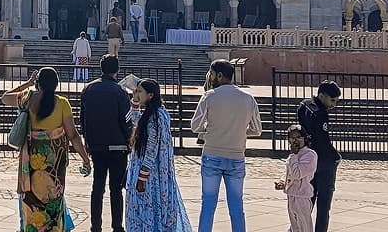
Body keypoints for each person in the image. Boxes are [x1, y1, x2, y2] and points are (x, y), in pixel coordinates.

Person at [2, 67, 92, 232]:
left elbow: (4, 97)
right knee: (53, 199)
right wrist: (85, 159)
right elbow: (73, 135)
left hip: (32, 159)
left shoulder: (28, 98)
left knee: (31, 199)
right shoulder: (62, 103)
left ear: (38, 83)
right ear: (56, 84)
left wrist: (27, 84)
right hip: (54, 163)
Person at [189, 59, 262, 232]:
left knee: (208, 205)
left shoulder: (209, 96)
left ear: (220, 75)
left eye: (212, 74)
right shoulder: (248, 98)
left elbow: (195, 126)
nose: (210, 77)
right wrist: (239, 131)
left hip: (212, 155)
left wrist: (211, 130)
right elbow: (257, 129)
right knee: (236, 206)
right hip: (236, 156)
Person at [126, 78, 192, 232]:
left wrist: (142, 176)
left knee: (148, 205)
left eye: (140, 91)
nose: (137, 94)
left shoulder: (156, 117)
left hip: (151, 173)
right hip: (149, 170)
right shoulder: (154, 113)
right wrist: (134, 102)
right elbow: (136, 122)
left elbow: (152, 148)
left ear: (150, 95)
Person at [80, 55, 132, 232]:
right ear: (117, 69)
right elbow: (126, 119)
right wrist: (129, 139)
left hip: (97, 145)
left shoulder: (88, 89)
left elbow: (83, 119)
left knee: (97, 187)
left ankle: (95, 226)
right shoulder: (120, 91)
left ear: (101, 68)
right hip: (118, 145)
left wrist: (87, 140)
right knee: (116, 188)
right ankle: (117, 226)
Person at [297, 80, 341, 232]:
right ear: (322, 96)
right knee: (323, 204)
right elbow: (323, 140)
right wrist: (336, 156)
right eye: (332, 100)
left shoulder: (304, 105)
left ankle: (299, 228)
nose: (334, 104)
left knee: (306, 201)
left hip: (307, 158)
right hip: (323, 162)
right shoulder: (320, 113)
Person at [275, 125, 318, 232]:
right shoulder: (293, 156)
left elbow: (297, 174)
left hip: (302, 196)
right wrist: (282, 182)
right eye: (293, 138)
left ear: (304, 138)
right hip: (291, 194)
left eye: (299, 137)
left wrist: (294, 155)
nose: (296, 141)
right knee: (295, 226)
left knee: (304, 226)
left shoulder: (310, 155)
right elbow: (288, 172)